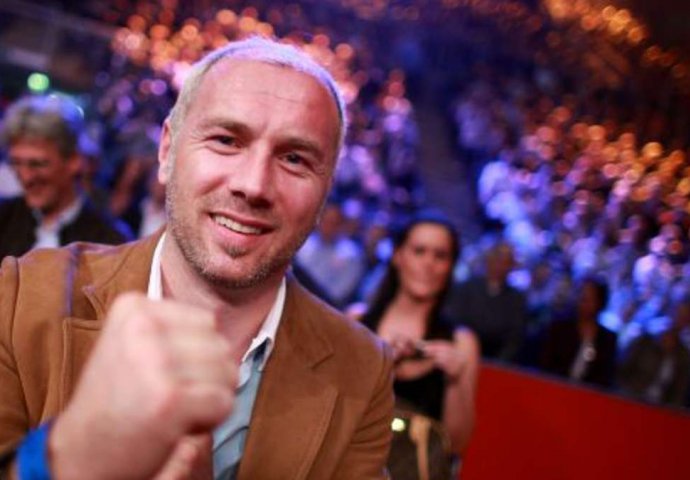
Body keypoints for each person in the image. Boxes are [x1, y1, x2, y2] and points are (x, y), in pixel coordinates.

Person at [0, 37, 394, 480]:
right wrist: (66, 459)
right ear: (167, 149)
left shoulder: (362, 369)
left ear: (325, 190)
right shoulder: (21, 296)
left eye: (294, 159)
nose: (253, 185)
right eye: (226, 140)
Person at [358, 213, 480, 456]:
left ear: (450, 267)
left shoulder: (462, 343)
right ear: (398, 255)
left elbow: (456, 445)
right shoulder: (357, 322)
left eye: (440, 255)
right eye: (419, 251)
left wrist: (456, 381)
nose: (428, 263)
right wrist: (380, 366)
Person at [0, 95, 133, 259]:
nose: (26, 177)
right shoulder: (4, 218)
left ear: (74, 160)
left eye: (38, 164)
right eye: (16, 163)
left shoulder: (110, 242)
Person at [444, 241, 527, 362]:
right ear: (488, 260)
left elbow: (515, 337)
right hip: (460, 354)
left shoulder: (517, 299)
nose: (500, 266)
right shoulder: (466, 288)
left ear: (512, 267)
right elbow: (454, 321)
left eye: (506, 262)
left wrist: (501, 362)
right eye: (497, 259)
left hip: (496, 361)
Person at [540, 276, 618, 388]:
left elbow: (605, 378)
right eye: (581, 297)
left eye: (587, 299)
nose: (581, 302)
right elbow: (546, 365)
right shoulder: (559, 328)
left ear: (600, 303)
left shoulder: (607, 340)